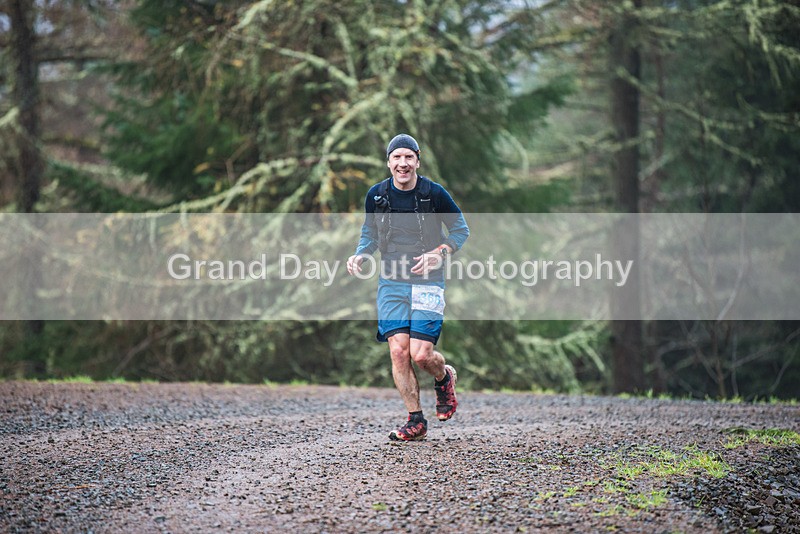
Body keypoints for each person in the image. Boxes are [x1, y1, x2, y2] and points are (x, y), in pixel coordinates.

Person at [346, 133, 469, 441]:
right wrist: (361, 254)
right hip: (391, 283)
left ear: (417, 161)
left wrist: (440, 252)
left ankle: (443, 377)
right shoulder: (376, 195)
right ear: (388, 162)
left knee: (421, 355)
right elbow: (369, 233)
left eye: (408, 157)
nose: (403, 163)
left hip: (428, 282)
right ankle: (416, 420)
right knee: (399, 350)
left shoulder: (434, 193)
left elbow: (460, 229)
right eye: (397, 158)